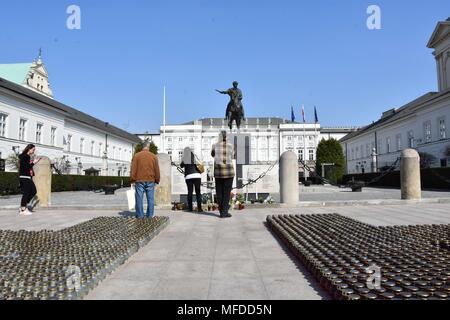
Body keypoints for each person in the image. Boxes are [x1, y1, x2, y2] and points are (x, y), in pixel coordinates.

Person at [130, 141, 160, 218]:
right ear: (148, 147)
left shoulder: (136, 156)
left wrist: (132, 179)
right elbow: (156, 169)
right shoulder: (153, 156)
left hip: (139, 180)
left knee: (139, 198)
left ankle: (140, 215)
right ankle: (150, 215)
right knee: (150, 198)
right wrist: (157, 179)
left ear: (142, 147)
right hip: (150, 179)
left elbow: (133, 168)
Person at [211, 130, 235, 218]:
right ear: (226, 136)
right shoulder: (231, 145)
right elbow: (232, 156)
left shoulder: (214, 146)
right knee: (226, 193)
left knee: (219, 192)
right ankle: (224, 212)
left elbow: (212, 155)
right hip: (229, 172)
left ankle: (222, 211)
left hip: (218, 172)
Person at [18, 144, 41, 215]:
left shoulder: (24, 156)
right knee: (28, 192)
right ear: (29, 149)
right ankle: (23, 209)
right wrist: (34, 162)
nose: (34, 151)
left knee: (33, 191)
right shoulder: (26, 156)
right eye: (33, 149)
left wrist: (32, 161)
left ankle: (23, 206)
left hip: (25, 177)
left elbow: (25, 166)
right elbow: (26, 167)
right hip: (25, 177)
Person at [180, 147, 203, 213]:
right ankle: (199, 208)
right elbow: (200, 163)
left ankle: (190, 208)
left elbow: (181, 165)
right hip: (197, 175)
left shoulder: (184, 158)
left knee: (190, 192)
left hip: (188, 176)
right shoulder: (194, 156)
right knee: (198, 192)